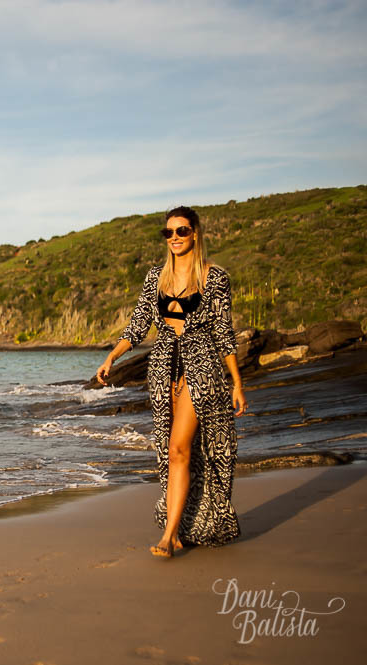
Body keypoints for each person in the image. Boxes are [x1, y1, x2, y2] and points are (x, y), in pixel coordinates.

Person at [95, 206, 247, 558]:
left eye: (181, 231)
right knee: (173, 452)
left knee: (180, 447)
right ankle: (183, 528)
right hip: (163, 369)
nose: (175, 238)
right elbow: (137, 327)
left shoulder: (214, 277)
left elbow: (224, 333)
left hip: (202, 367)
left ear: (195, 233)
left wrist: (237, 383)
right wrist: (111, 357)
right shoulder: (155, 279)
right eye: (169, 233)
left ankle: (169, 535)